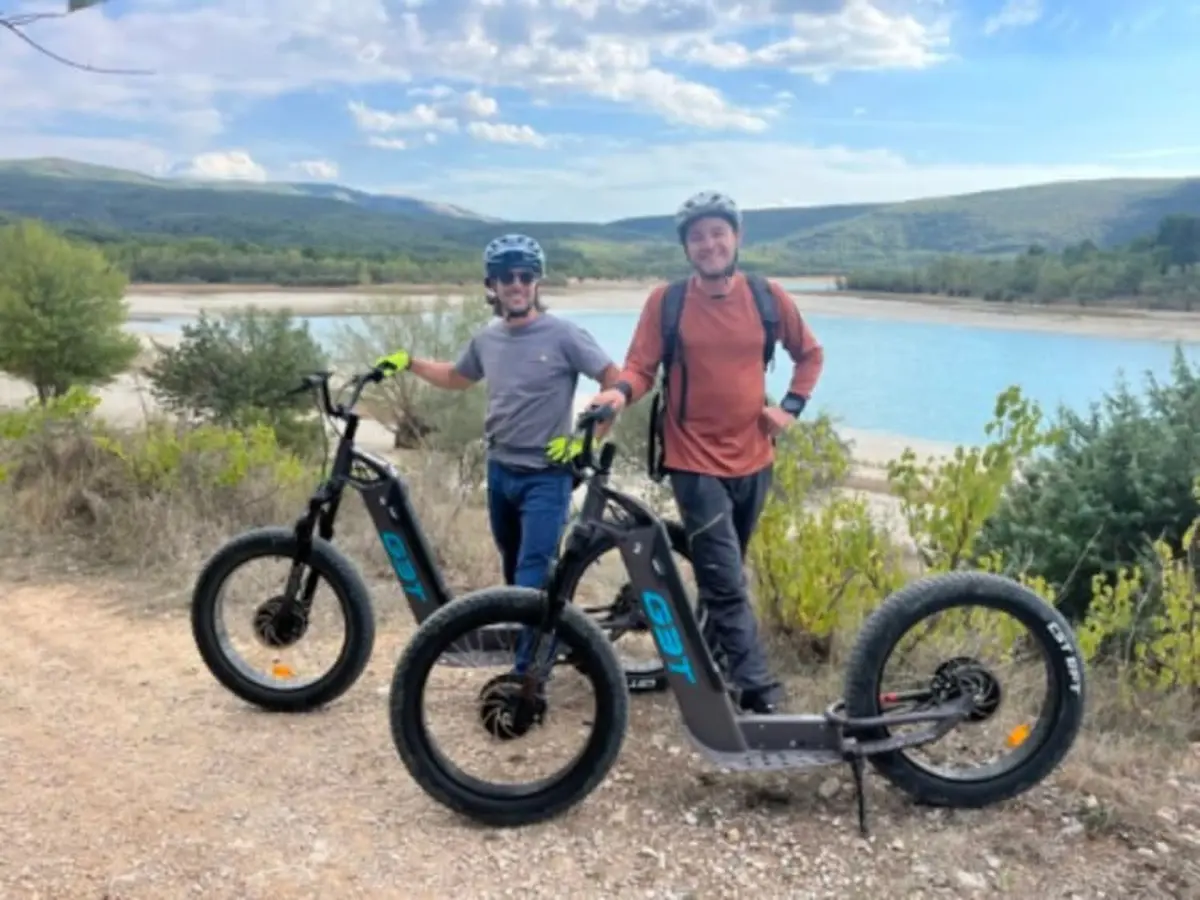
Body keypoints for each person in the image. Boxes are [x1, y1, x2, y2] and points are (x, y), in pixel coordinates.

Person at [585, 191, 826, 714]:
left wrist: (789, 408)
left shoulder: (767, 297)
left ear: (736, 237)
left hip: (755, 458)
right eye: (697, 236)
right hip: (691, 457)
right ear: (686, 247)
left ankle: (709, 668)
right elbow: (640, 367)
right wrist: (618, 394)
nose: (709, 243)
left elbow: (809, 354)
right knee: (723, 574)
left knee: (726, 572)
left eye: (718, 232)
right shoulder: (666, 302)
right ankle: (759, 696)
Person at [375, 233, 621, 640]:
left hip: (548, 475)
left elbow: (613, 380)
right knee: (513, 571)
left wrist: (587, 439)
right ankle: (538, 644)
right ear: (493, 285)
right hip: (501, 471)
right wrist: (409, 362)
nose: (517, 284)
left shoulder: (564, 334)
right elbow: (457, 377)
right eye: (507, 276)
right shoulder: (487, 338)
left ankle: (524, 676)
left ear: (537, 282)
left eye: (526, 275)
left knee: (529, 579)